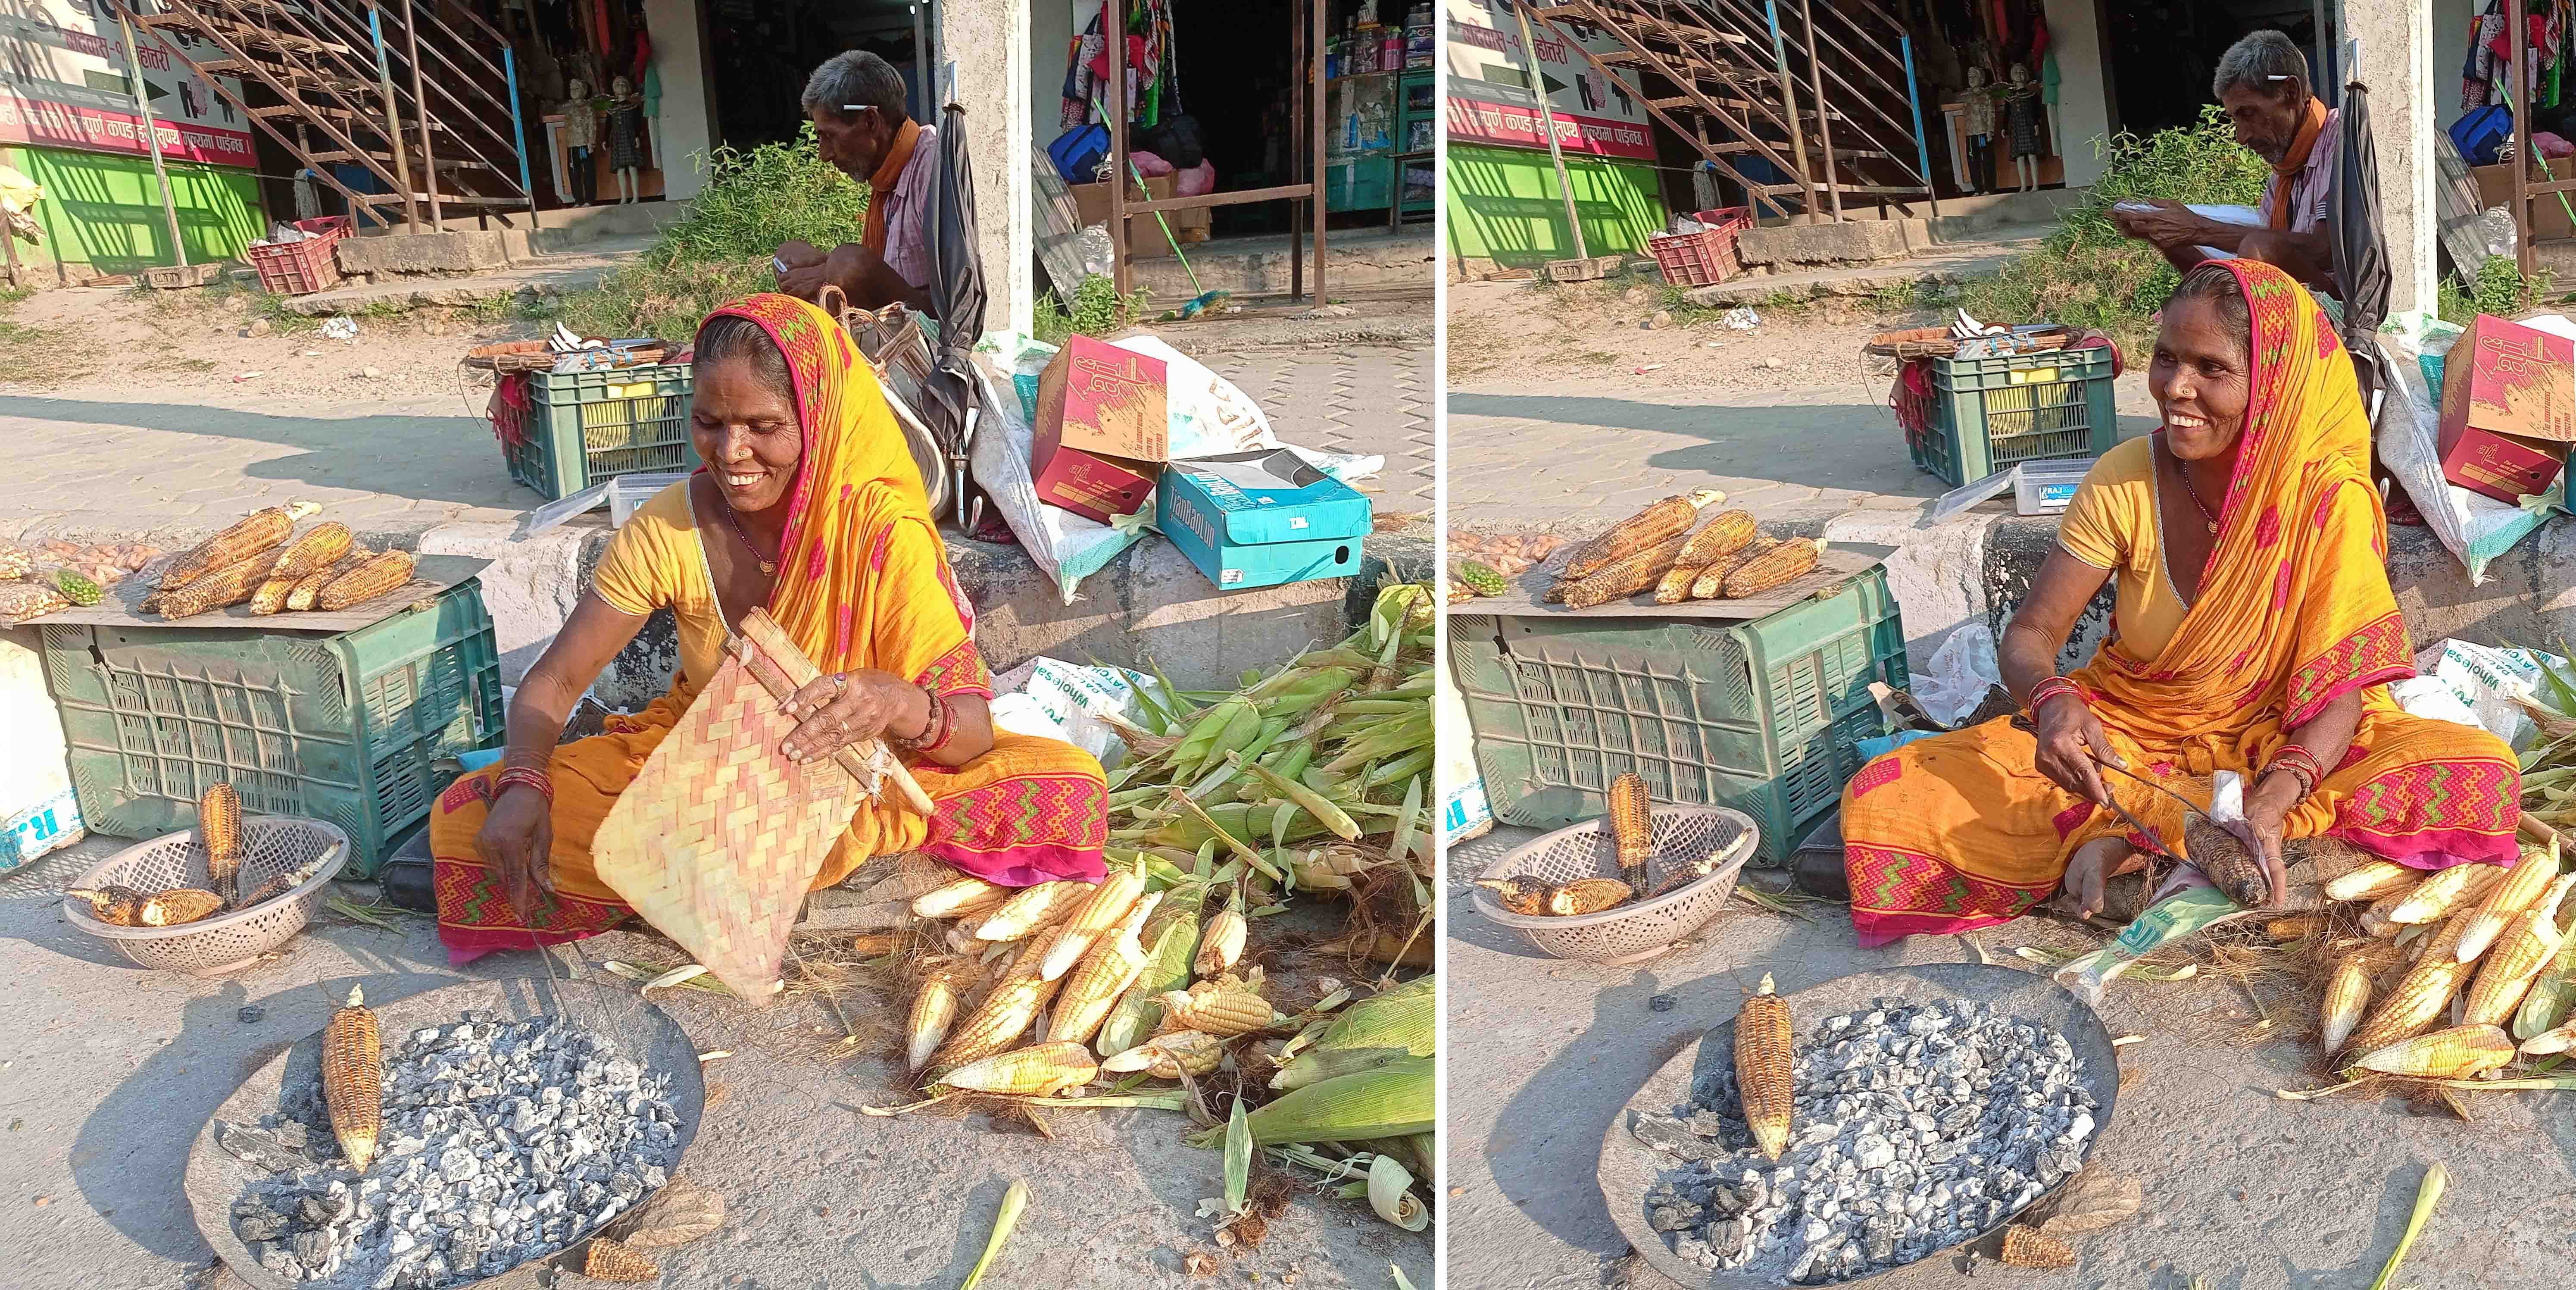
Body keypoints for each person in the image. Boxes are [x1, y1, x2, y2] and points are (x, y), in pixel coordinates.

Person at [1838, 260, 2519, 946]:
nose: (2176, 388)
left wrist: (2280, 794)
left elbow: (2339, 691)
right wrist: (2050, 703)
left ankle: (2151, 843)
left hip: (2284, 733)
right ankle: (2174, 843)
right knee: (1888, 799)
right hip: (2133, 731)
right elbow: (2034, 630)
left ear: (2271, 385)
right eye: (2166, 358)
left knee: (2476, 776)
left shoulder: (2326, 501)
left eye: (2211, 368)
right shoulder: (2126, 478)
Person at [419, 294, 1108, 962]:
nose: (732, 452)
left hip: (860, 774)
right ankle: (807, 890)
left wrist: (895, 702)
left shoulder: (877, 533)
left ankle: (720, 887)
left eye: (763, 425)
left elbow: (970, 733)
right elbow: (558, 679)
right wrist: (523, 783)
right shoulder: (667, 527)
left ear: (818, 420)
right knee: (469, 815)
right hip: (712, 768)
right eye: (710, 423)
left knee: (1067, 788)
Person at [2109, 30, 2339, 292]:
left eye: (2248, 113)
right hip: (2290, 302)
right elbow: (2262, 269)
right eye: (2235, 119)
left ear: (2290, 93)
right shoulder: (2283, 173)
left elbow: (2325, 251)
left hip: (2334, 309)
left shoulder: (2339, 140)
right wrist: (2168, 237)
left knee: (2259, 247)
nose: (2241, 137)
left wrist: (2200, 230)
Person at [774, 50, 940, 317]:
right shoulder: (889, 172)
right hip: (891, 310)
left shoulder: (934, 169)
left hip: (926, 333)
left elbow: (952, 308)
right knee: (789, 255)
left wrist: (842, 273)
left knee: (849, 264)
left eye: (829, 136)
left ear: (870, 122)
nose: (824, 155)